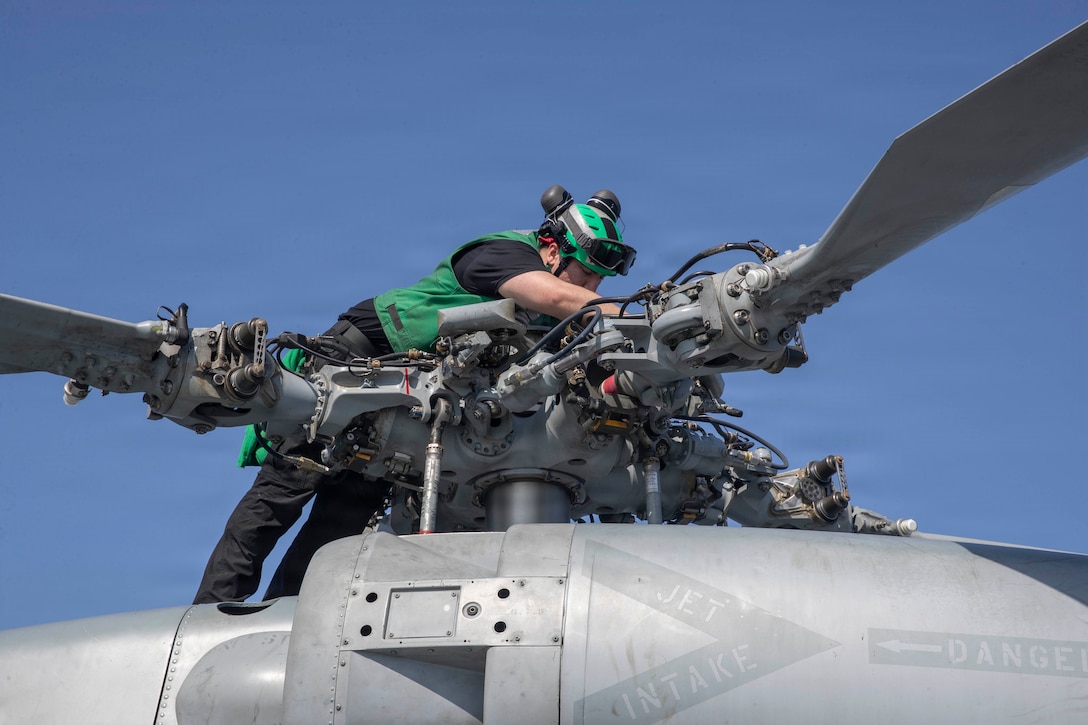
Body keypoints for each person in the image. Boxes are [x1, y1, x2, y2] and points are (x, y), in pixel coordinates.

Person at [194, 186, 636, 603]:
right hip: (354, 365)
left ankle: (284, 619)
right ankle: (211, 613)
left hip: (407, 405)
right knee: (284, 491)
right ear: (554, 250)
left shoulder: (563, 310)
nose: (591, 289)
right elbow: (560, 297)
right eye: (587, 274)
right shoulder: (504, 255)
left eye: (599, 280)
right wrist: (640, 318)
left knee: (343, 520)